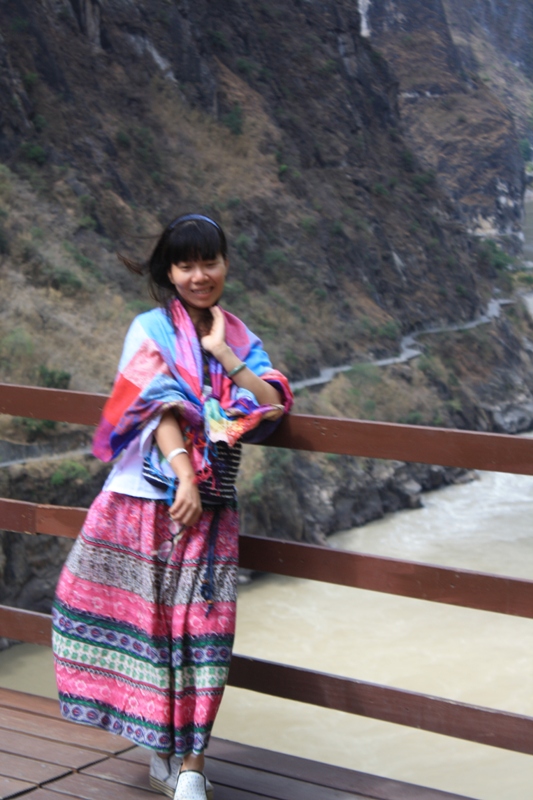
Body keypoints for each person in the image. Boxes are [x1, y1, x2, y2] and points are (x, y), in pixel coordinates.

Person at [52, 214, 293, 800]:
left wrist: (223, 356)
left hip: (210, 511)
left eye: (209, 261)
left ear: (225, 264)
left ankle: (192, 767)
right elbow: (156, 403)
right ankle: (160, 750)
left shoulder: (237, 336)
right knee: (138, 628)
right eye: (185, 264)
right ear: (169, 271)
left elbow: (274, 404)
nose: (199, 275)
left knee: (204, 635)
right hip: (141, 499)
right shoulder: (148, 330)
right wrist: (183, 471)